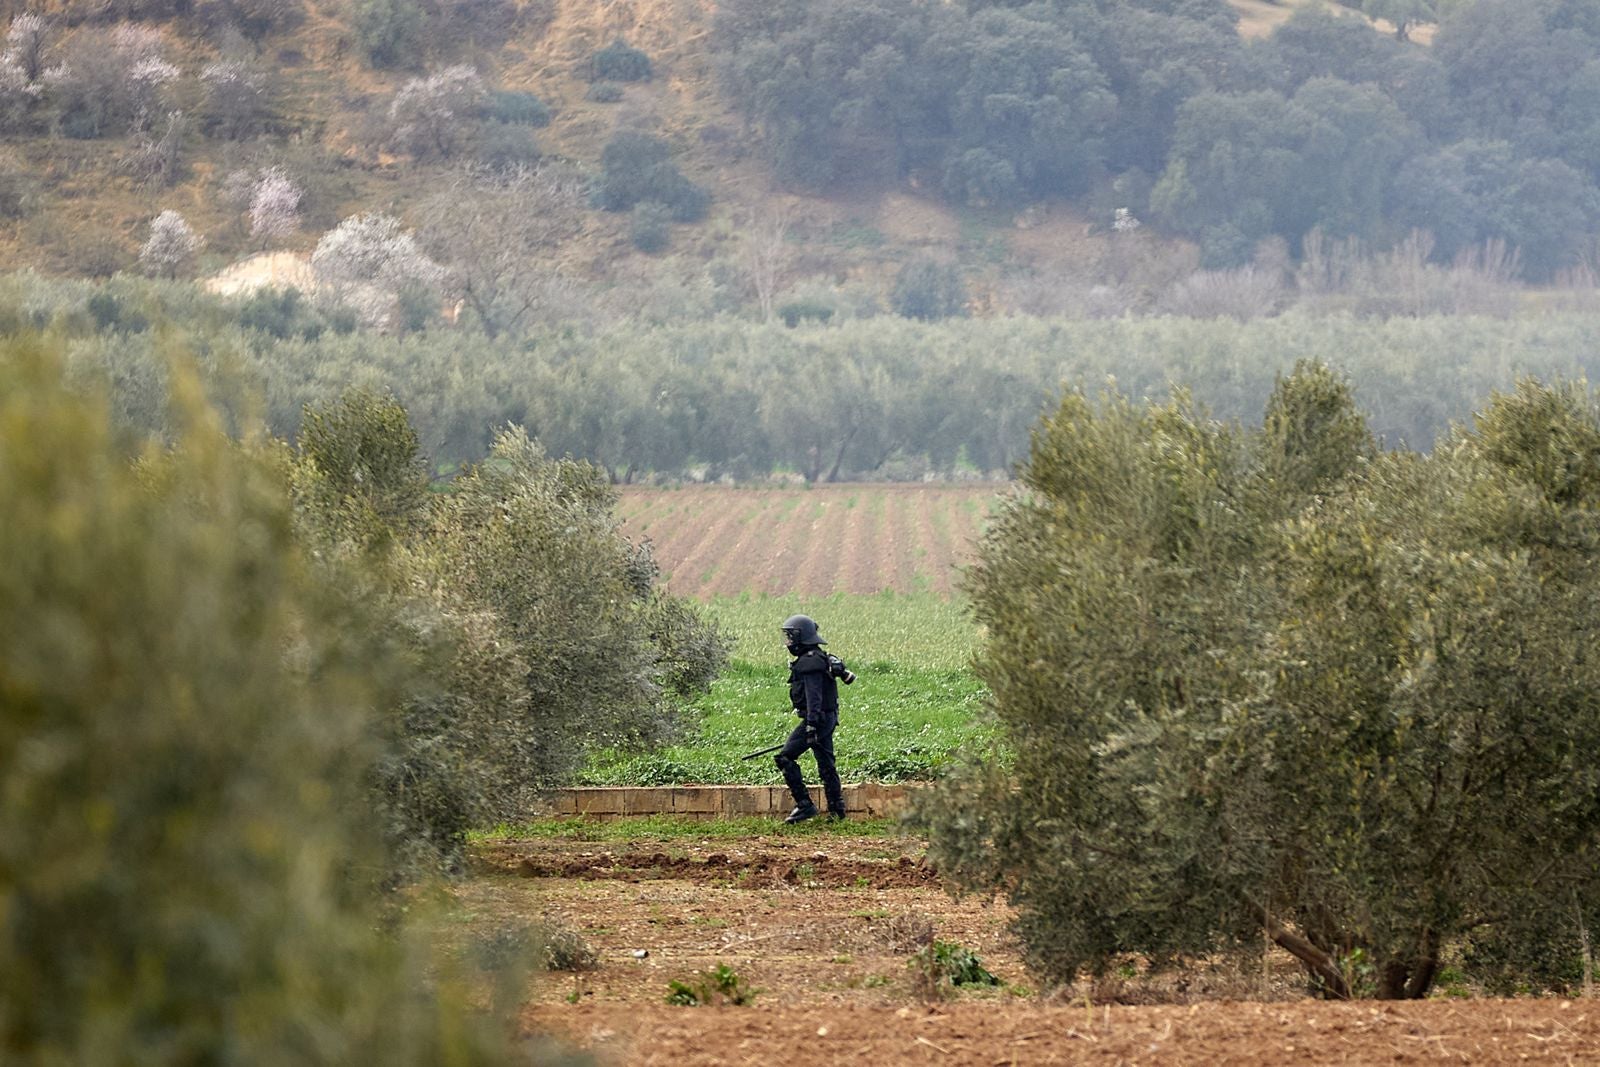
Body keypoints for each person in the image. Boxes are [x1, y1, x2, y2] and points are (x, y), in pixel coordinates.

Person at [775, 613, 847, 824]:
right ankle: (837, 811)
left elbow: (813, 696)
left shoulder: (809, 662)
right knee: (826, 764)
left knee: (785, 758)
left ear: (801, 637)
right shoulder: (818, 657)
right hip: (827, 718)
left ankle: (805, 805)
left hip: (817, 719)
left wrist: (811, 726)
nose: (788, 641)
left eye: (791, 636)